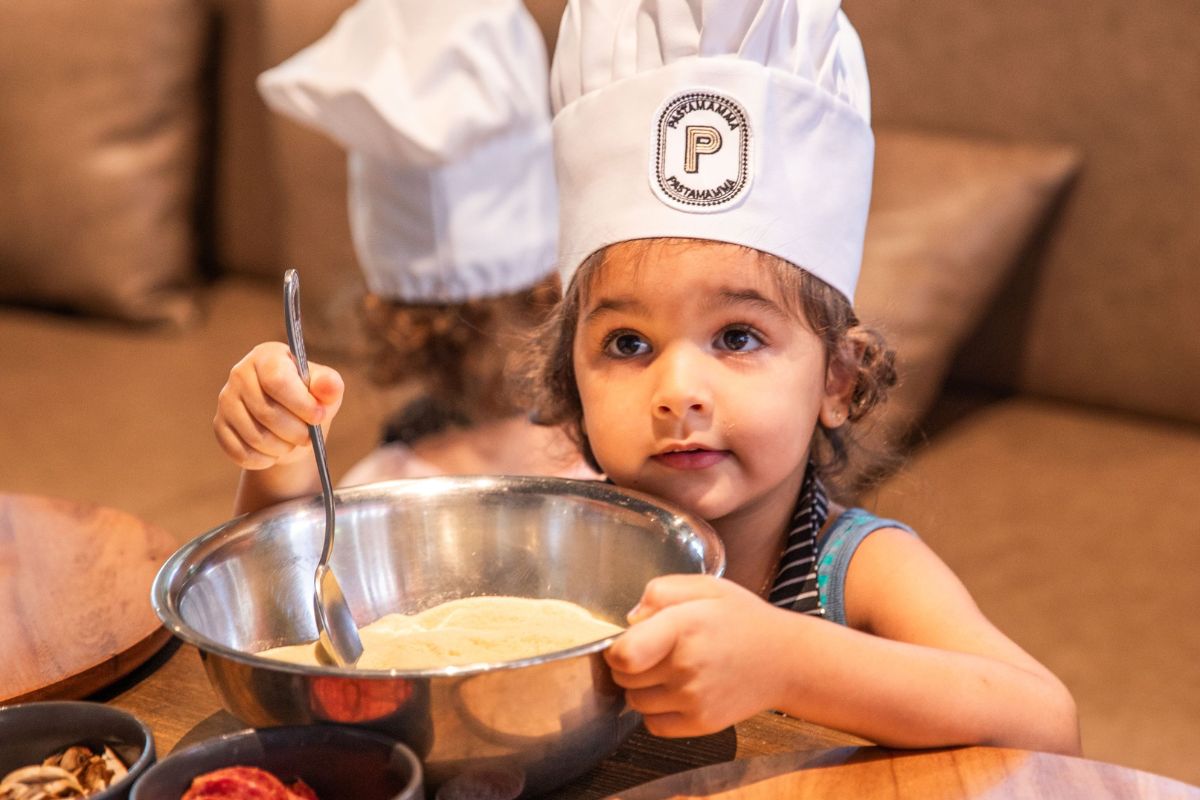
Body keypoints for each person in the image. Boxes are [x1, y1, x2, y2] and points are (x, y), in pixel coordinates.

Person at [509, 0, 1079, 753]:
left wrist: (786, 661)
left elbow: (1046, 721)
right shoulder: (555, 545)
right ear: (570, 381)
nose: (679, 390)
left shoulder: (859, 570)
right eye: (626, 344)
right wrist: (292, 467)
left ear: (838, 381)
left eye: (737, 336)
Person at [218, 0, 590, 512]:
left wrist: (277, 472)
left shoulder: (384, 483)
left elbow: (288, 571)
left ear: (388, 317)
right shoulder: (614, 459)